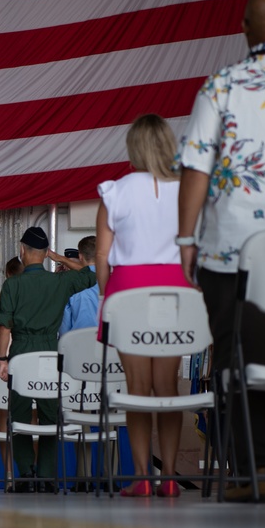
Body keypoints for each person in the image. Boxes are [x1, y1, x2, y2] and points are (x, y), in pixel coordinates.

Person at [177, 0, 265, 502]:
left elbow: (196, 164)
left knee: (238, 361)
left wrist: (186, 238)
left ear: (243, 28)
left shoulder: (223, 85)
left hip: (232, 252)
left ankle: (252, 472)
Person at [97, 114, 188, 498]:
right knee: (167, 386)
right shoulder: (187, 190)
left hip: (129, 290)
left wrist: (108, 298)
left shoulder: (114, 192)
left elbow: (102, 257)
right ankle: (168, 476)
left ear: (133, 146)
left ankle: (142, 478)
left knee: (137, 388)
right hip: (175, 291)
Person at [0, 227, 95, 493]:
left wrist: (2, 359)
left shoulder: (12, 284)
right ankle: (48, 477)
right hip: (51, 351)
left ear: (22, 250)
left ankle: (27, 474)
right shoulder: (60, 282)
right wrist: (59, 258)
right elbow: (91, 274)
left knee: (19, 415)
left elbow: (4, 326)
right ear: (44, 254)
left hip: (22, 350)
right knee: (51, 415)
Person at [51, 236, 101, 492]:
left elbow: (66, 333)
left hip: (81, 361)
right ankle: (114, 476)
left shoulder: (74, 289)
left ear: (80, 257)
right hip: (112, 363)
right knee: (112, 421)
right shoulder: (114, 283)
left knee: (83, 420)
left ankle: (85, 476)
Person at [0, 257, 22, 487]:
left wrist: (4, 352)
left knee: (4, 417)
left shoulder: (0, 298)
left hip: (3, 354)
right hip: (24, 354)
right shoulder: (30, 295)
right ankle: (31, 473)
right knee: (31, 418)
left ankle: (9, 473)